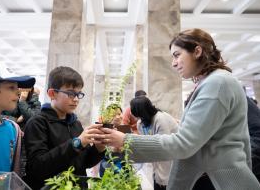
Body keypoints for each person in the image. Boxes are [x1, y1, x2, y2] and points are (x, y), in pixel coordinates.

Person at [100, 28, 260, 189]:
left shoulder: (217, 83)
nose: (173, 63)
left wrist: (125, 141)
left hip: (217, 182)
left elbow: (184, 143)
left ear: (197, 51)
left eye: (177, 55)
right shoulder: (213, 82)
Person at [24, 66, 105, 190]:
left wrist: (99, 147)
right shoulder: (37, 123)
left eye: (79, 94)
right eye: (71, 93)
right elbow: (38, 167)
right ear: (52, 93)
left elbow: (85, 163)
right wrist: (77, 143)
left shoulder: (75, 124)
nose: (76, 99)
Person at [131, 96, 178, 190]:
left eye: (139, 115)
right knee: (158, 180)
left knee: (166, 181)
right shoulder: (140, 123)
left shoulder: (160, 119)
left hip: (171, 156)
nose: (138, 118)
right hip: (157, 159)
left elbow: (164, 145)